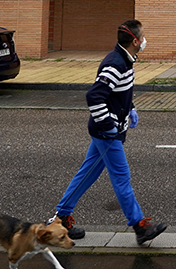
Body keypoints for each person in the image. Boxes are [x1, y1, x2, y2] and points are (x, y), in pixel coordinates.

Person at [49, 19, 167, 245]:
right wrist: (108, 125)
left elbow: (117, 94)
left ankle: (61, 218)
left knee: (88, 173)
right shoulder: (115, 64)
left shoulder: (125, 59)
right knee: (122, 177)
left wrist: (130, 108)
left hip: (107, 132)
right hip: (107, 134)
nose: (144, 40)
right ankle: (139, 226)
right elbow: (94, 96)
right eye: (142, 36)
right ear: (134, 40)